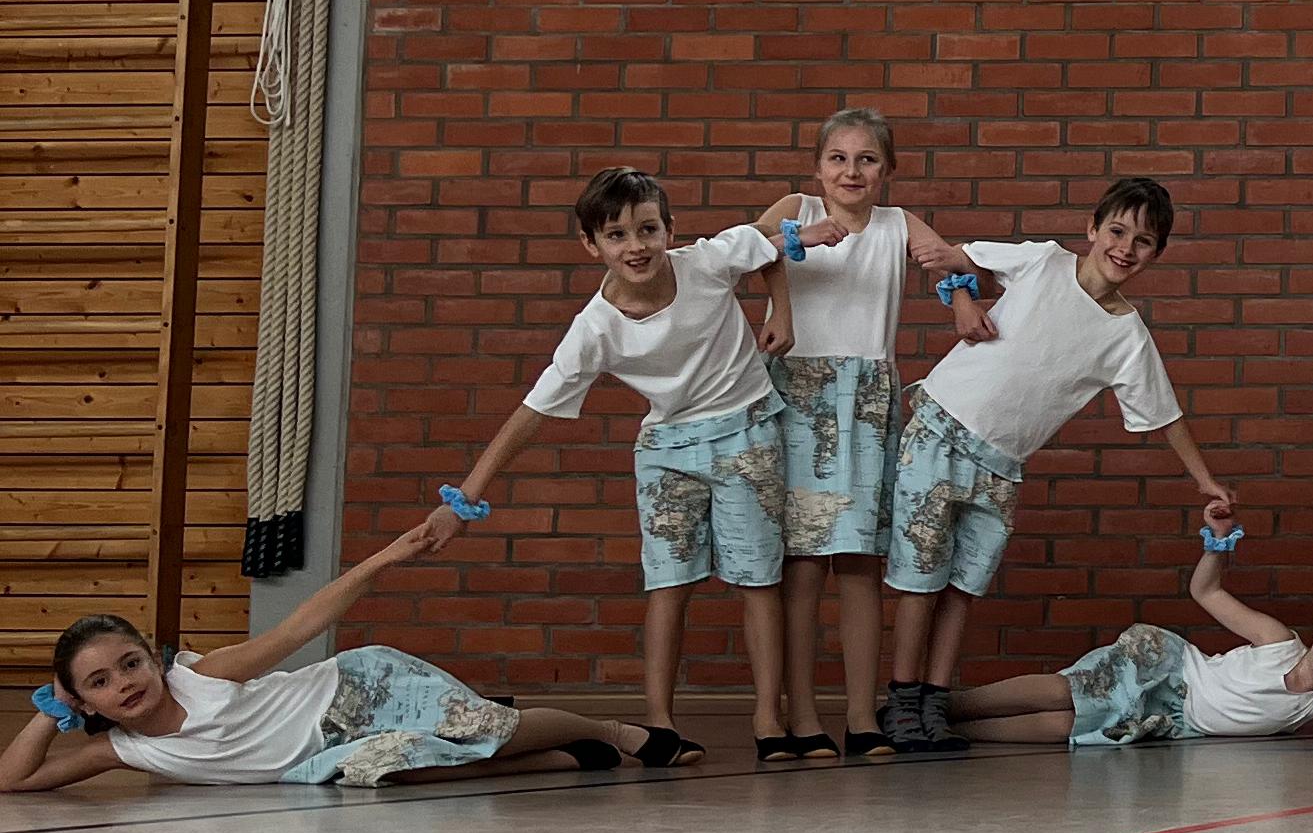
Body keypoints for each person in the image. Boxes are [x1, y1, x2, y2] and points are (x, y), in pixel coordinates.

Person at [439, 166, 793, 766]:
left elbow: (771, 238)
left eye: (648, 230)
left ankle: (768, 718)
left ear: (669, 230)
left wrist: (783, 306)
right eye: (617, 235)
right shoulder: (595, 327)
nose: (636, 247)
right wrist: (465, 498)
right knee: (668, 584)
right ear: (591, 244)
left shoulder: (705, 262)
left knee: (757, 579)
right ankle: (660, 724)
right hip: (666, 450)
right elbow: (532, 412)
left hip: (745, 433)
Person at [875, 175, 1242, 749]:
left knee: (962, 586)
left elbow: (1164, 415)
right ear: (1092, 228)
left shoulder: (1127, 337)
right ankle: (901, 698)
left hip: (1001, 465)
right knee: (921, 577)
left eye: (1143, 241)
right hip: (940, 430)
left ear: (1157, 253)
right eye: (1117, 231)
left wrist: (1205, 481)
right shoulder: (1043, 262)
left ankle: (934, 702)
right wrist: (963, 300)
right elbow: (956, 260)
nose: (1125, 248)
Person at [4, 510, 671, 792]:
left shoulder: (202, 676)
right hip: (324, 756)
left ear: (155, 659)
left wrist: (384, 558)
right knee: (385, 775)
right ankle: (563, 758)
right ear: (85, 702)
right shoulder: (124, 751)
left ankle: (611, 732)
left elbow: (298, 627)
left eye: (129, 663)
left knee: (490, 729)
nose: (123, 682)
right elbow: (14, 781)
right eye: (98, 682)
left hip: (358, 691)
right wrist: (50, 711)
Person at [746, 105, 991, 760]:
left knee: (859, 563)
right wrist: (786, 281)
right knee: (801, 567)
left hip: (867, 401)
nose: (850, 171)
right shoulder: (794, 209)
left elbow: (947, 261)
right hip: (798, 393)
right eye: (838, 158)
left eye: (866, 159)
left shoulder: (896, 224)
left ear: (887, 170)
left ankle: (860, 716)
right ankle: (802, 716)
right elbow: (744, 254)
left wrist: (961, 298)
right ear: (817, 167)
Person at [937, 529, 1313, 745]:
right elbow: (1206, 591)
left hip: (1171, 720)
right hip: (1167, 670)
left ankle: (952, 733)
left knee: (1067, 727)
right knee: (1065, 691)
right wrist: (1216, 547)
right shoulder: (1277, 640)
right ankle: (943, 706)